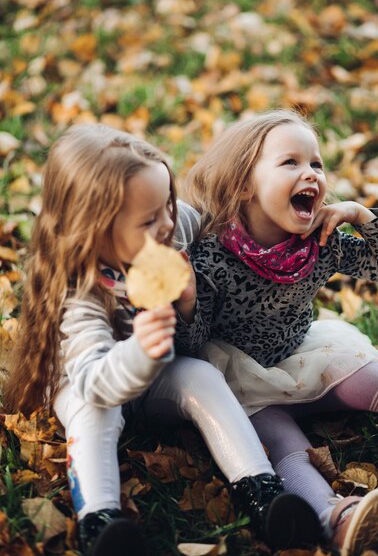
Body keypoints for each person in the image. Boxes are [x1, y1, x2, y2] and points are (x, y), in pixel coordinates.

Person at [3, 123, 321, 556]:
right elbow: (96, 382)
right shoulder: (80, 293)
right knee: (92, 414)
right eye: (150, 219)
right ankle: (101, 520)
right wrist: (139, 351)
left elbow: (231, 221)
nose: (169, 223)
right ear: (95, 230)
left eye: (167, 205)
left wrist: (308, 217)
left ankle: (261, 488)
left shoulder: (174, 231)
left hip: (158, 378)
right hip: (95, 384)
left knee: (203, 375)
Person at [175, 109, 378, 556]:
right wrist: (188, 302)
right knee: (282, 443)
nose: (311, 174)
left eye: (317, 164)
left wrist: (363, 217)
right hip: (240, 378)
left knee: (374, 379)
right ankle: (335, 516)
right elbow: (188, 349)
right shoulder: (212, 259)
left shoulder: (320, 244)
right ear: (244, 185)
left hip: (301, 353)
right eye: (290, 163)